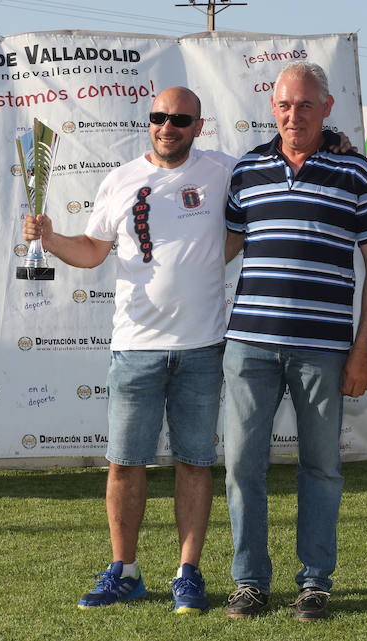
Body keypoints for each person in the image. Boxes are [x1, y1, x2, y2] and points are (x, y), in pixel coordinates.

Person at [23, 86, 234, 614]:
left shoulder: (223, 170)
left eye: (180, 119)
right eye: (160, 117)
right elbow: (93, 251)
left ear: (198, 126)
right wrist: (50, 239)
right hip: (134, 349)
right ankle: (125, 571)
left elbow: (282, 166)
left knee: (194, 462)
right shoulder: (120, 179)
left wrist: (336, 140)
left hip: (202, 347)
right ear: (150, 122)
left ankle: (188, 572)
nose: (168, 127)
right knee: (124, 464)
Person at [221, 61, 367, 621]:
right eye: (285, 105)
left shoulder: (358, 173)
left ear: (327, 107)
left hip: (323, 347)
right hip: (249, 345)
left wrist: (363, 349)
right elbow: (218, 250)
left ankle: (314, 582)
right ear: (273, 109)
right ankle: (249, 581)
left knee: (321, 467)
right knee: (243, 465)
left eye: (306, 105)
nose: (294, 115)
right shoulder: (246, 170)